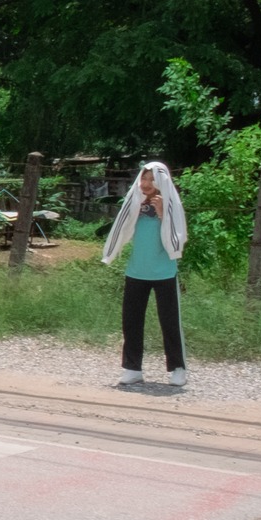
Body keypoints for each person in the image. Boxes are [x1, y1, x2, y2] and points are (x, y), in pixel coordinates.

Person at [102, 161, 189, 386]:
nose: (147, 184)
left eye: (152, 180)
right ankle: (132, 368)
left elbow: (176, 240)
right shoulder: (135, 203)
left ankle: (177, 368)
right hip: (136, 271)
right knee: (131, 322)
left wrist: (161, 214)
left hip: (164, 273)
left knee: (170, 323)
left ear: (162, 182)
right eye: (144, 178)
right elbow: (123, 227)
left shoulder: (171, 206)